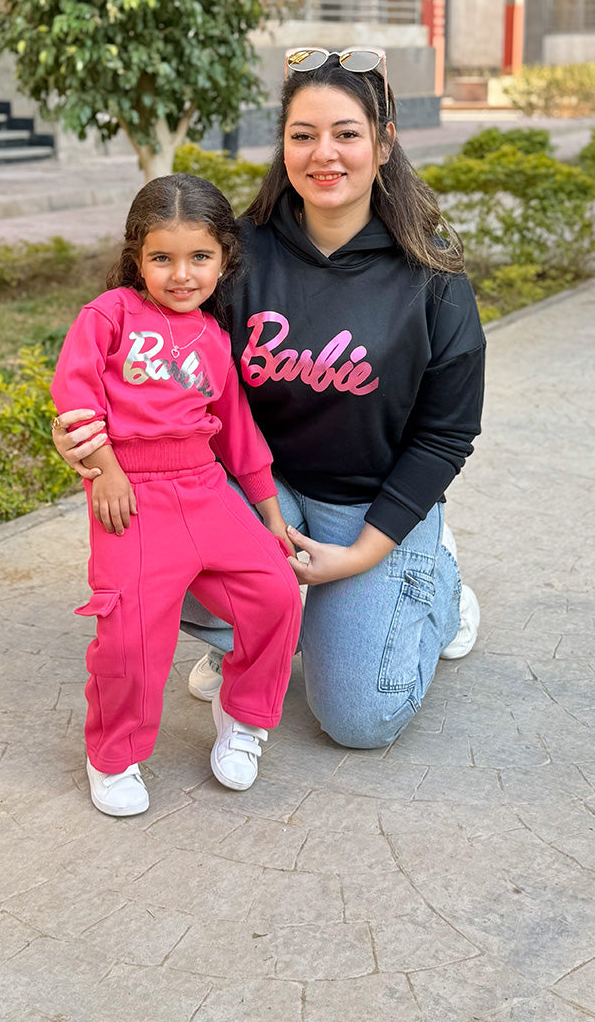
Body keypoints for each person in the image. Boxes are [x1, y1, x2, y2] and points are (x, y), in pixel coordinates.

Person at [55, 47, 485, 751]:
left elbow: (445, 436)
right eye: (302, 134)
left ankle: (433, 584)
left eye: (346, 133)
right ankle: (260, 631)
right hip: (257, 488)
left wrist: (360, 557)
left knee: (359, 721)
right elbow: (144, 364)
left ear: (383, 142)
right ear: (281, 145)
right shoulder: (235, 256)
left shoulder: (431, 276)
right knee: (150, 552)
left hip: (367, 501)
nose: (324, 154)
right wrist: (85, 439)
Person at [51, 174, 302, 816]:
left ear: (224, 259)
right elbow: (75, 395)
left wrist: (270, 515)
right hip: (130, 495)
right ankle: (114, 755)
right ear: (138, 256)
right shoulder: (107, 317)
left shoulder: (216, 339)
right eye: (162, 258)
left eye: (199, 258)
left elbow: (239, 433)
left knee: (275, 590)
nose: (181, 274)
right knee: (131, 636)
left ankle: (243, 714)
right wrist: (103, 468)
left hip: (206, 487)